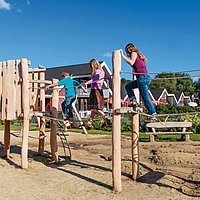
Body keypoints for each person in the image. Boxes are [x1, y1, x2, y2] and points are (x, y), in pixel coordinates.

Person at [120, 43, 157, 118]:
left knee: (145, 98)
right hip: (144, 77)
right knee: (128, 86)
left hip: (142, 78)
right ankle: (133, 100)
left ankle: (153, 114)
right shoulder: (139, 56)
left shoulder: (134, 53)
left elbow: (131, 62)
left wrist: (122, 55)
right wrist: (134, 77)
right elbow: (135, 68)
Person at [84, 59, 112, 126]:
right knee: (93, 109)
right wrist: (111, 81)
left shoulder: (96, 72)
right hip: (100, 91)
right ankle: (89, 122)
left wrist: (86, 83)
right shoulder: (103, 72)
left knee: (96, 108)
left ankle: (105, 117)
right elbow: (108, 77)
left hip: (95, 91)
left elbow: (94, 80)